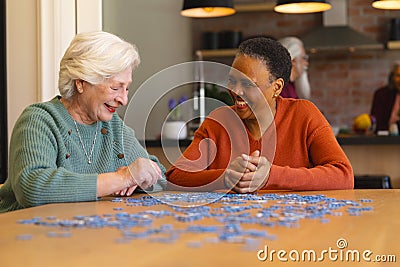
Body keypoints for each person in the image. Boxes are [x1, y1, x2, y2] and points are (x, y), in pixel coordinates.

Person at [0, 31, 166, 212]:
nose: (124, 100)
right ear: (81, 83)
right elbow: (32, 188)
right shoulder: (39, 120)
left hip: (86, 234)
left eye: (127, 88)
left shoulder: (114, 127)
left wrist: (140, 175)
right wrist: (123, 178)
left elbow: (161, 178)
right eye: (116, 87)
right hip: (25, 233)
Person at [166, 37, 353, 193]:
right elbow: (175, 178)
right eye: (232, 80)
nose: (236, 91)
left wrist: (271, 176)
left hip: (296, 231)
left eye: (248, 84)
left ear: (277, 87)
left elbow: (343, 176)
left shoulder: (304, 114)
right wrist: (225, 177)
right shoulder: (218, 122)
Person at [370, 61, 400, 133]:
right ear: (392, 77)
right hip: (384, 140)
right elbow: (376, 123)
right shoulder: (381, 94)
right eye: (398, 76)